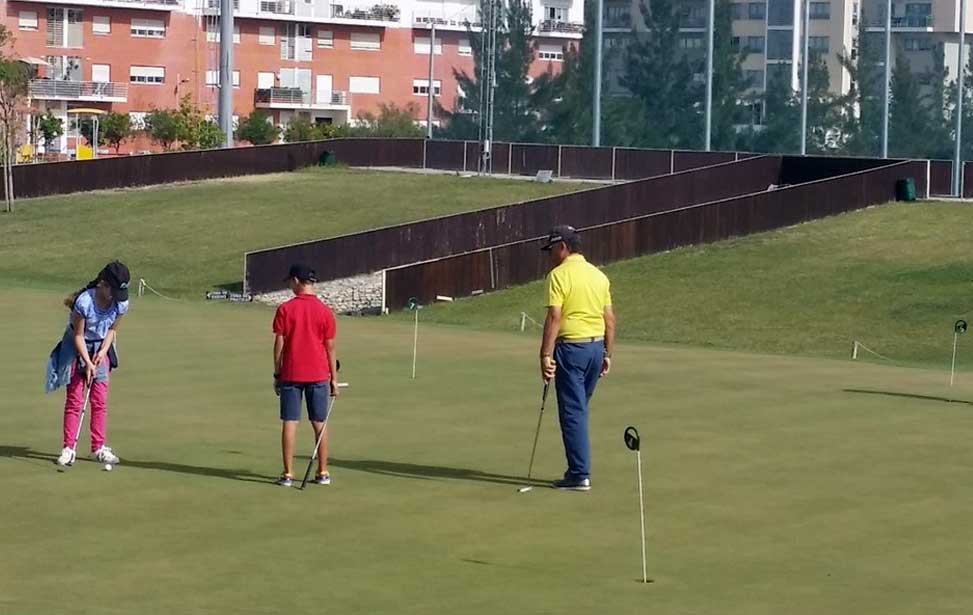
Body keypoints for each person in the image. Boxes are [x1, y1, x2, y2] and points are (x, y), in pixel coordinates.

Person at [539, 226, 615, 491]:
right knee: (579, 409)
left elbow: (555, 317)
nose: (549, 256)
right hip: (595, 349)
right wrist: (608, 353)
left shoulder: (557, 276)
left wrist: (545, 355)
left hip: (572, 350)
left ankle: (579, 474)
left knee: (573, 412)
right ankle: (578, 469)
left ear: (563, 247)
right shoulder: (599, 276)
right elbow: (609, 319)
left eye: (551, 250)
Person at [53, 261, 131, 467]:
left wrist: (102, 353)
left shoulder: (120, 303)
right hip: (77, 346)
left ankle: (98, 448)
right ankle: (68, 448)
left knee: (99, 401)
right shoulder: (84, 302)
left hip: (101, 347)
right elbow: (78, 335)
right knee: (75, 399)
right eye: (112, 290)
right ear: (103, 284)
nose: (115, 296)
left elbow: (112, 331)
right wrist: (87, 362)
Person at [272, 264, 339, 487]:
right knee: (319, 423)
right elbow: (330, 347)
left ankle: (288, 474)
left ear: (297, 281)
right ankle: (323, 472)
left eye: (290, 282)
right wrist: (334, 379)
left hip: (291, 373)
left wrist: (277, 373)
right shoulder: (325, 311)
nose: (290, 286)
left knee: (290, 422)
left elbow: (279, 344)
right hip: (319, 374)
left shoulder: (285, 309)